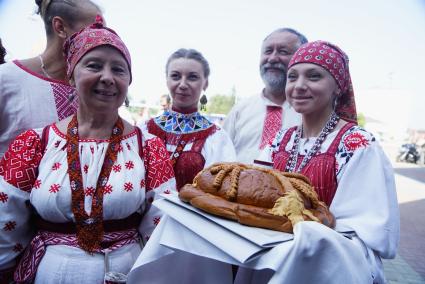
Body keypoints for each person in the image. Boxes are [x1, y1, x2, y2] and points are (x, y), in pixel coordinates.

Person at [0, 21, 175, 283]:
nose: (108, 77)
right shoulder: (35, 143)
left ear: (128, 81)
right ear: (71, 74)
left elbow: (160, 228)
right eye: (93, 65)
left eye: (119, 69)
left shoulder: (148, 148)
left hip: (125, 274)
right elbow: (6, 224)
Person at [250, 40, 399, 283]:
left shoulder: (358, 144)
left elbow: (361, 230)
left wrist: (301, 234)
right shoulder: (280, 140)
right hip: (273, 253)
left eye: (314, 76)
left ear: (337, 87)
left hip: (330, 265)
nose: (299, 86)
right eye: (292, 76)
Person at [0, 0, 102, 158]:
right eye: (94, 30)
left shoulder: (96, 91)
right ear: (60, 27)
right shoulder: (5, 79)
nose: (103, 39)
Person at [142, 48, 236, 190]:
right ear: (166, 79)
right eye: (175, 76)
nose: (183, 84)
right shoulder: (144, 130)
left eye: (192, 77)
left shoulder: (217, 138)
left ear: (205, 83)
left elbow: (224, 189)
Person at [223, 28, 306, 164]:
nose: (272, 58)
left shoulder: (312, 113)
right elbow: (222, 156)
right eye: (268, 51)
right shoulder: (241, 110)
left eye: (283, 52)